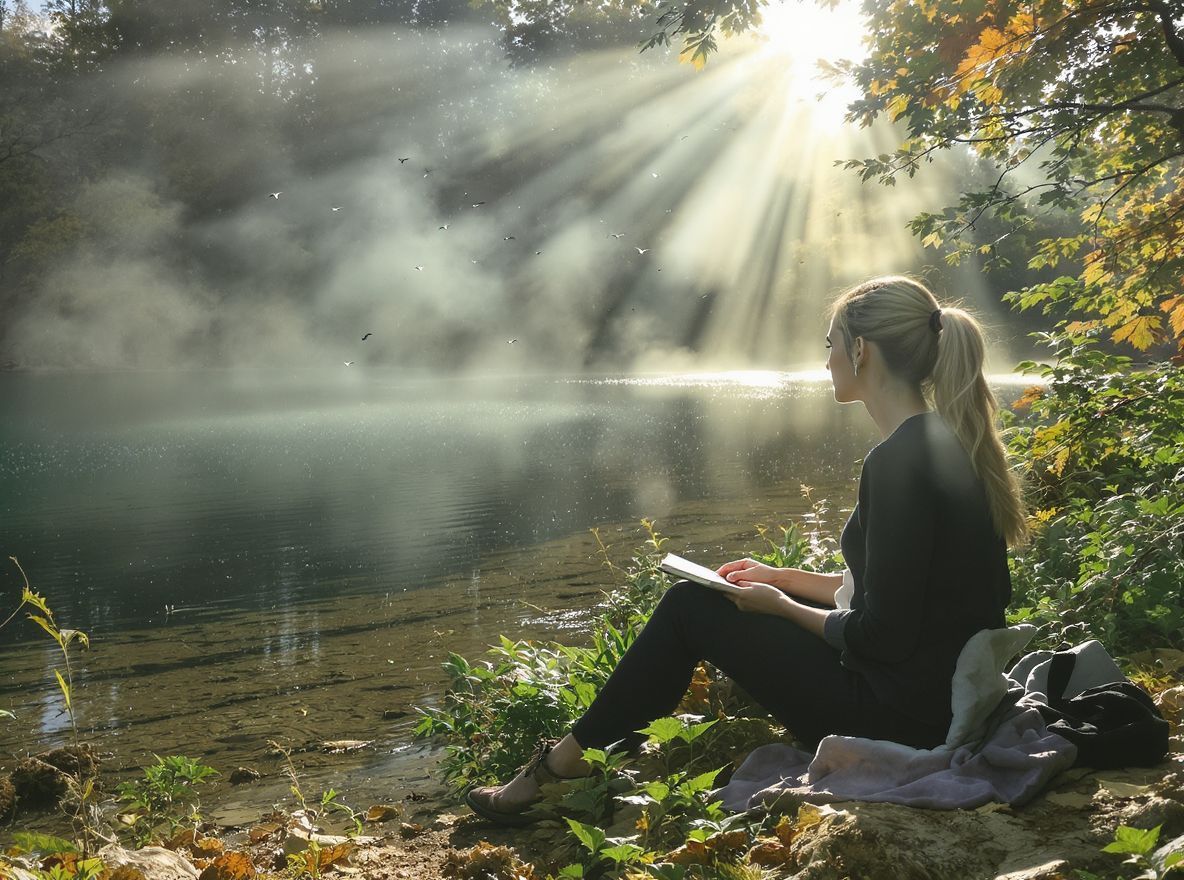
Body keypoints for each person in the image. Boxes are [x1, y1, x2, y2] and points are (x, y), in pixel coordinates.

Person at [464, 275, 1029, 826]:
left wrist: (777, 607)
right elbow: (899, 594)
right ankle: (578, 762)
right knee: (701, 605)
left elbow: (882, 633)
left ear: (860, 351)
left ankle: (559, 770)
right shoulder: (944, 445)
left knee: (689, 609)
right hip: (936, 703)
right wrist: (781, 577)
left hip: (898, 720)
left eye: (829, 345)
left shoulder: (899, 461)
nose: (825, 359)